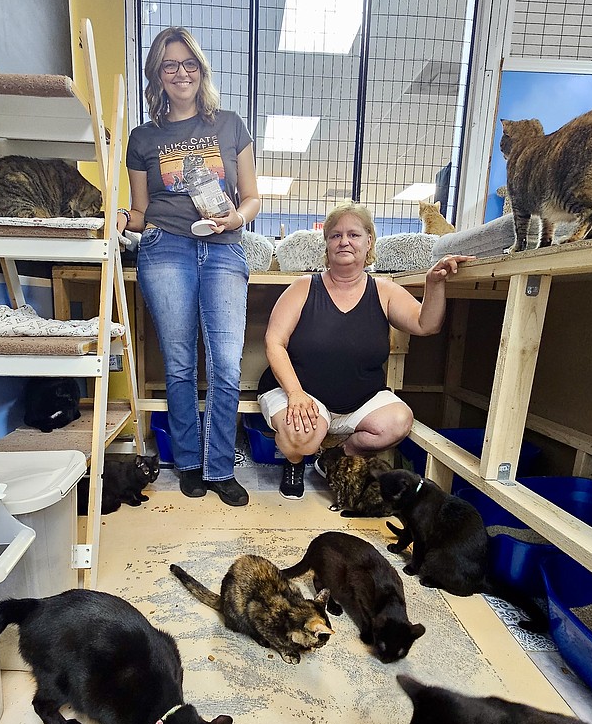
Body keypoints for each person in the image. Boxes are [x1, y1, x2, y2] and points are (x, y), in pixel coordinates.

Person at [120, 27, 260, 507]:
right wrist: (122, 217)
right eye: (169, 65)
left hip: (224, 248)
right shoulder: (143, 138)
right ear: (157, 76)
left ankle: (219, 467)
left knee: (225, 364)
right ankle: (188, 463)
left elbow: (252, 195)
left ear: (201, 70)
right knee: (179, 365)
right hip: (164, 247)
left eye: (189, 64)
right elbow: (140, 212)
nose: (181, 73)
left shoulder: (229, 124)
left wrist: (236, 218)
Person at [258, 201, 473, 499]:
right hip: (302, 391)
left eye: (353, 234)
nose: (344, 241)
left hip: (360, 399)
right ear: (327, 244)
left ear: (369, 240)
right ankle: (295, 461)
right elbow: (274, 342)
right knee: (301, 437)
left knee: (398, 422)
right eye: (335, 235)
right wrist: (295, 394)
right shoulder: (303, 287)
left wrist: (434, 283)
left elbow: (426, 324)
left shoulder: (383, 290)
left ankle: (334, 458)